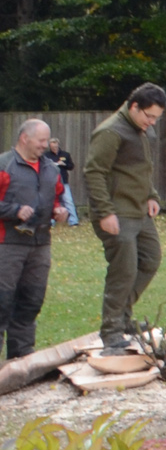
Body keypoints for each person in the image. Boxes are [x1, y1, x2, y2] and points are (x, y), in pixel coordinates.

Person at [90, 83, 166, 352]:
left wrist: (152, 195)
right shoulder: (111, 131)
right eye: (149, 116)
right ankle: (111, 332)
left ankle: (124, 317)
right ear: (134, 106)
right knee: (123, 271)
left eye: (156, 117)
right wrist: (105, 212)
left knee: (150, 259)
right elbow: (94, 172)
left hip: (139, 211)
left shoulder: (138, 129)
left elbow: (141, 169)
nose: (152, 122)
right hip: (117, 212)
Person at [0, 120, 69, 361]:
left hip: (40, 245)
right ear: (24, 138)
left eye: (47, 139)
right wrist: (14, 210)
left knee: (31, 301)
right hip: (6, 244)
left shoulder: (51, 169)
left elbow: (58, 197)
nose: (45, 145)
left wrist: (60, 212)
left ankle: (20, 362)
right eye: (41, 140)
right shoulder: (4, 165)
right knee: (2, 302)